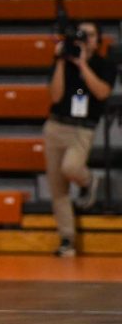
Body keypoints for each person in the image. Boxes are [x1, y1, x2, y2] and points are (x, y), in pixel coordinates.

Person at [46, 21, 117, 257]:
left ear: (99, 39)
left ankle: (88, 181)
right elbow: (55, 96)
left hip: (82, 128)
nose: (86, 39)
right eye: (82, 34)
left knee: (71, 167)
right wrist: (59, 61)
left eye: (91, 35)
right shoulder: (63, 61)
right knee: (58, 188)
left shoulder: (104, 64)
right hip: (56, 125)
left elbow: (102, 92)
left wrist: (83, 64)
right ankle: (67, 239)